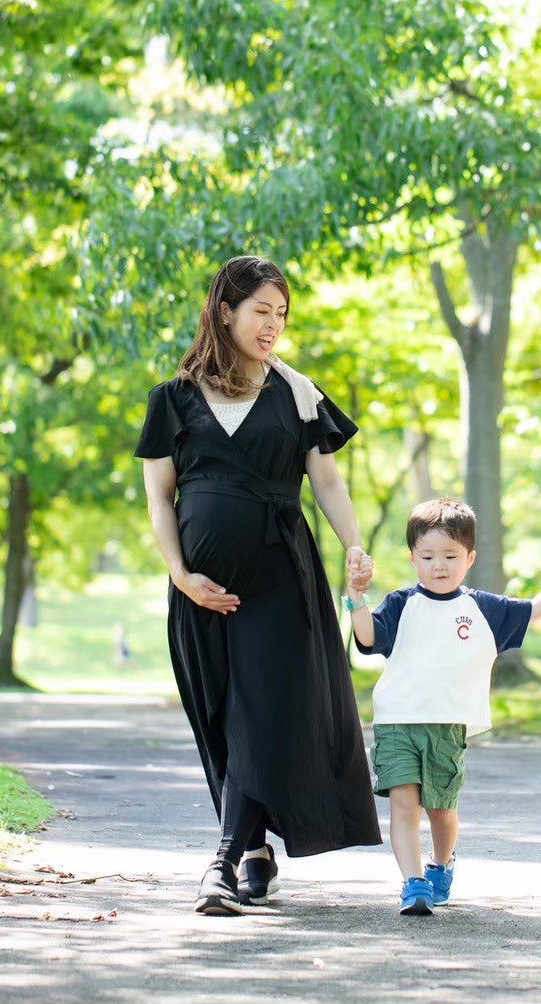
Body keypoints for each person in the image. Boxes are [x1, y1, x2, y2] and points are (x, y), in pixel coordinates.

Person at [135, 254, 382, 918]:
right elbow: (159, 497)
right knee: (221, 718)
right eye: (261, 311)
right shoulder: (173, 399)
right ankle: (254, 853)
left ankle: (220, 865)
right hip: (200, 590)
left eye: (282, 314)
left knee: (261, 715)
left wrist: (354, 546)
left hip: (279, 581)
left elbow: (327, 480)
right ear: (225, 312)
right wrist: (181, 575)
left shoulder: (297, 394)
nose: (273, 325)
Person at [345, 498, 541, 916]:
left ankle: (441, 864)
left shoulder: (483, 609)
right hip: (397, 722)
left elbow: (533, 610)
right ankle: (413, 883)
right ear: (413, 558)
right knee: (403, 804)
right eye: (427, 557)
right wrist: (357, 597)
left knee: (441, 811)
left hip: (447, 726)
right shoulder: (401, 604)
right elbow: (368, 638)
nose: (439, 566)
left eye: (450, 556)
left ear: (470, 558)